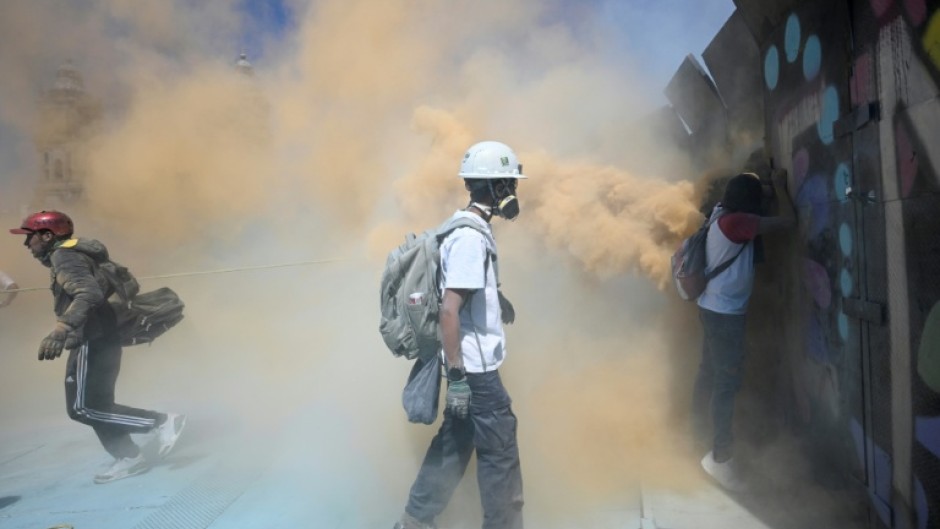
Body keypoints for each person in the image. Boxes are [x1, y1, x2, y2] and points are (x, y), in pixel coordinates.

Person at [394, 141, 526, 529]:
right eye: (510, 183)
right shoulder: (470, 237)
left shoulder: (464, 226)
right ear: (497, 187)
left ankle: (414, 520)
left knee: (454, 445)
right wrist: (457, 379)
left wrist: (495, 298)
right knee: (501, 456)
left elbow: (463, 292)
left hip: (469, 367)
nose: (514, 191)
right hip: (477, 372)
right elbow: (450, 310)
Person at [10, 210, 186, 484]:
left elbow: (88, 293)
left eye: (29, 238)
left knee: (81, 408)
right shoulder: (75, 252)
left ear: (46, 236)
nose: (26, 245)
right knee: (98, 404)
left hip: (94, 337)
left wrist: (61, 329)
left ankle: (161, 422)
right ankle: (128, 457)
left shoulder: (63, 255)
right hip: (99, 335)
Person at [691, 170, 796, 492]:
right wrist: (778, 185)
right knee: (726, 382)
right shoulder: (738, 222)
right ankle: (720, 459)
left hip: (712, 306)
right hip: (724, 314)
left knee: (709, 373)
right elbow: (788, 222)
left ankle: (696, 439)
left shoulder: (720, 213)